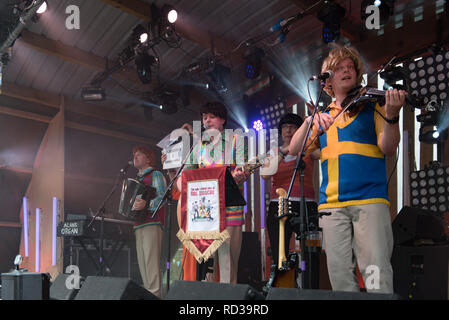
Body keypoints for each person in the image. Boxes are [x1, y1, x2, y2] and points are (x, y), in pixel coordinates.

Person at [289, 46, 406, 293]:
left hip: (369, 200)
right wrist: (310, 121)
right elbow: (293, 148)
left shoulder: (373, 106)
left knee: (375, 271)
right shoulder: (323, 116)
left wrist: (393, 115)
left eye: (350, 67)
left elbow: (387, 146)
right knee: (339, 275)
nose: (346, 71)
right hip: (331, 205)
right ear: (328, 80)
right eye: (339, 68)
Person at [175, 101, 249, 284]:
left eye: (212, 117)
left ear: (223, 119)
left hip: (229, 210)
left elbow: (244, 170)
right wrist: (180, 185)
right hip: (205, 215)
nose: (207, 121)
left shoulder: (235, 141)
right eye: (204, 117)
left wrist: (241, 175)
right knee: (207, 266)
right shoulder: (199, 145)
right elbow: (185, 174)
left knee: (227, 265)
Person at [261, 113, 319, 270]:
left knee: (310, 252)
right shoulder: (274, 152)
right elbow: (265, 174)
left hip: (306, 205)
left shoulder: (308, 147)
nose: (288, 130)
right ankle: (281, 286)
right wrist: (283, 152)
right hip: (278, 205)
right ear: (280, 132)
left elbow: (322, 154)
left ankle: (308, 284)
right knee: (279, 252)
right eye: (285, 127)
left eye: (293, 127)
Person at [131, 145, 167, 298]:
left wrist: (147, 205)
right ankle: (148, 294)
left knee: (151, 263)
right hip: (138, 224)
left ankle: (155, 296)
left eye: (139, 154)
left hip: (152, 222)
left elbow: (162, 197)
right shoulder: (135, 180)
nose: (135, 157)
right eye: (134, 155)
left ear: (148, 158)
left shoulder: (156, 174)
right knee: (143, 264)